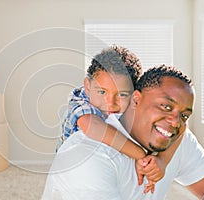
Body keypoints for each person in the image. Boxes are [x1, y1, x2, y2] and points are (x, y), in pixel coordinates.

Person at [42, 65, 204, 200]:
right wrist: (142, 156)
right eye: (166, 106)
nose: (175, 121)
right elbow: (91, 125)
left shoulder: (174, 135)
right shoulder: (87, 156)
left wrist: (163, 162)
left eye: (184, 115)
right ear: (136, 99)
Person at [58, 46, 179, 191]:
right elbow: (94, 128)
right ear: (88, 87)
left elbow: (177, 126)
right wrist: (142, 156)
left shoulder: (134, 101)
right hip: (74, 169)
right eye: (102, 92)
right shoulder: (80, 101)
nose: (110, 103)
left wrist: (161, 162)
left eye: (122, 94)